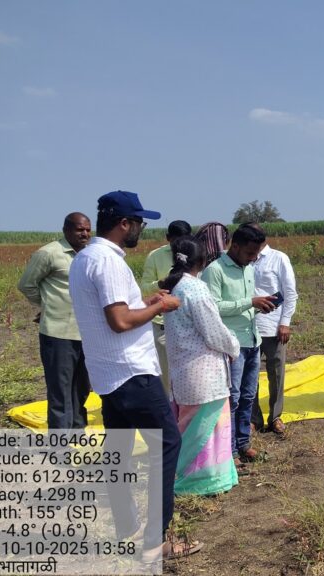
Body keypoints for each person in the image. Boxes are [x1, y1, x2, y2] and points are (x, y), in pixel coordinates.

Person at [69, 190, 199, 560]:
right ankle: (154, 542)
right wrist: (163, 304)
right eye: (139, 222)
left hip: (108, 373)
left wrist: (146, 300)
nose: (141, 228)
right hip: (132, 372)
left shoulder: (85, 258)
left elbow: (116, 309)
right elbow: (121, 320)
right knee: (167, 443)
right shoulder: (109, 261)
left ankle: (128, 526)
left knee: (119, 452)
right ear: (124, 223)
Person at [160, 237, 241, 496]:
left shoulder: (175, 287)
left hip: (183, 372)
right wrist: (234, 347)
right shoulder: (196, 289)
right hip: (204, 374)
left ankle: (185, 477)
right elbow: (214, 332)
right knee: (207, 429)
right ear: (203, 261)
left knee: (187, 425)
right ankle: (202, 482)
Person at [201, 223, 276, 463]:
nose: (254, 258)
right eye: (250, 253)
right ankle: (229, 450)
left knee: (248, 396)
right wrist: (249, 303)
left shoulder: (248, 269)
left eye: (256, 254)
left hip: (252, 339)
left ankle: (243, 444)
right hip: (231, 344)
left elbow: (245, 303)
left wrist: (259, 307)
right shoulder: (215, 270)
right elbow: (213, 307)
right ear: (235, 246)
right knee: (231, 399)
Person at [17, 212, 92, 430]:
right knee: (60, 390)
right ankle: (60, 445)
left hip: (86, 332)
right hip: (58, 333)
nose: (85, 234)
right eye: (80, 230)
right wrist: (47, 305)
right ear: (66, 230)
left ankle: (78, 432)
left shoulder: (91, 254)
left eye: (88, 229)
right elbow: (27, 285)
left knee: (82, 387)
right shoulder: (49, 253)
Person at [250, 229, 298, 436]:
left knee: (276, 373)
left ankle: (275, 416)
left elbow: (290, 293)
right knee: (250, 376)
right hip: (248, 327)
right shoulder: (242, 260)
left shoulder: (278, 258)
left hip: (274, 326)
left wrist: (285, 323)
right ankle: (254, 419)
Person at [141, 220, 192, 398]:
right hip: (163, 325)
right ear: (168, 238)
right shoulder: (155, 256)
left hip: (188, 325)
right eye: (176, 241)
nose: (179, 245)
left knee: (188, 372)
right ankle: (170, 414)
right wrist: (161, 284)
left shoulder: (194, 254)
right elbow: (145, 287)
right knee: (166, 374)